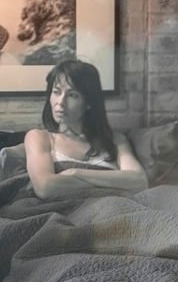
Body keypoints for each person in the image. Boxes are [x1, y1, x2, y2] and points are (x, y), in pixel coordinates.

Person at [25, 59, 148, 199]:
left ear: (88, 102)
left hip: (114, 208)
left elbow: (139, 181)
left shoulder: (115, 140)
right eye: (56, 92)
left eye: (72, 95)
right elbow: (45, 188)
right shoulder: (40, 138)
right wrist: (114, 181)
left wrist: (75, 173)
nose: (60, 102)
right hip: (68, 212)